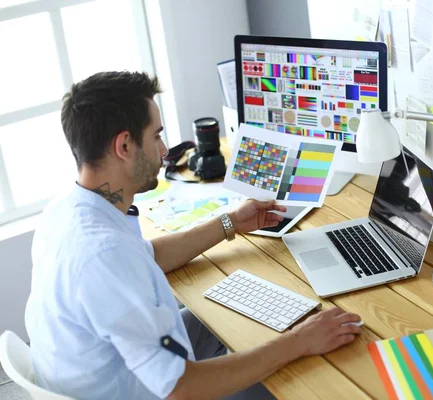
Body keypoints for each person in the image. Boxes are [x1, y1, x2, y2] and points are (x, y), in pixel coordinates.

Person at [24, 71, 362, 400]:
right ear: (124, 145)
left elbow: (147, 256)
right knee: (312, 376)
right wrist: (299, 342)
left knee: (228, 317)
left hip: (107, 372)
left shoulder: (68, 209)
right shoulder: (104, 254)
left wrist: (230, 223)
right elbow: (181, 389)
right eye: (155, 136)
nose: (164, 150)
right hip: (141, 389)